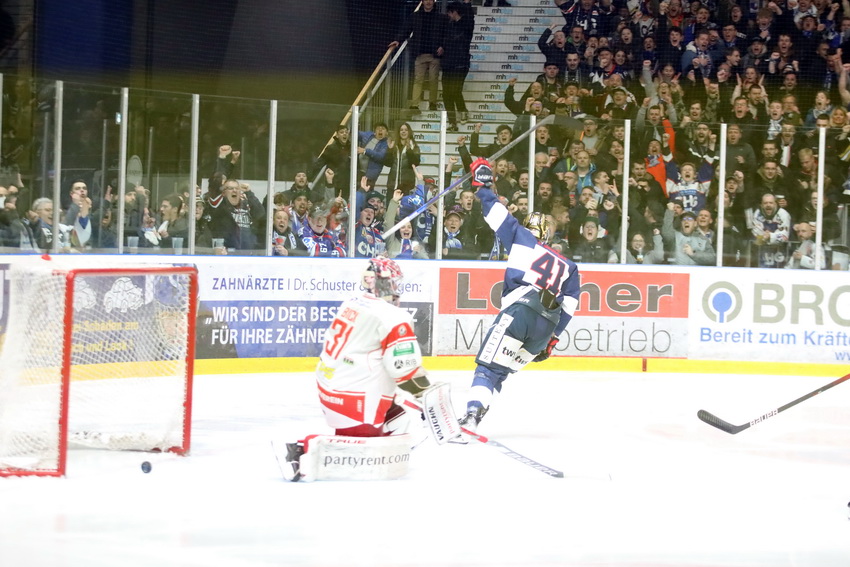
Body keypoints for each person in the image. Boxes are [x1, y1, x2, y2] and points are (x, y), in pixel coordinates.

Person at [458, 158, 580, 432]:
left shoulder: (522, 237)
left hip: (521, 311)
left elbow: (496, 212)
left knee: (487, 370)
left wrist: (482, 185)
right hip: (546, 327)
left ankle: (471, 415)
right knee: (499, 373)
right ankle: (476, 415)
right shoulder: (569, 266)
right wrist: (553, 338)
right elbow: (569, 306)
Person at [280, 258, 425, 481]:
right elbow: (405, 371)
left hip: (330, 393)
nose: (397, 289)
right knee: (408, 419)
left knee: (401, 411)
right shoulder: (394, 316)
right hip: (355, 399)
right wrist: (431, 399)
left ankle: (361, 439)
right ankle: (305, 451)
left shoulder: (352, 302)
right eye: (394, 282)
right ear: (382, 283)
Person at [389, 0, 447, 112]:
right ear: (423, 2)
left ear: (434, 2)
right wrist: (398, 40)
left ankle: (433, 103)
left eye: (430, 0)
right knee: (418, 80)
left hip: (435, 54)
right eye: (426, 0)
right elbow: (406, 29)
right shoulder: (414, 16)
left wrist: (443, 46)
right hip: (419, 54)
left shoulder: (441, 17)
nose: (428, 2)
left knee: (433, 80)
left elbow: (446, 34)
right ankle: (415, 105)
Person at [442, 2, 474, 130]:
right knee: (446, 94)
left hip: (461, 64)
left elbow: (470, 19)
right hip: (448, 64)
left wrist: (467, 4)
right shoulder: (449, 26)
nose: (448, 15)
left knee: (455, 91)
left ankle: (463, 110)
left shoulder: (466, 26)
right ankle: (452, 122)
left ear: (454, 12)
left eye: (449, 12)